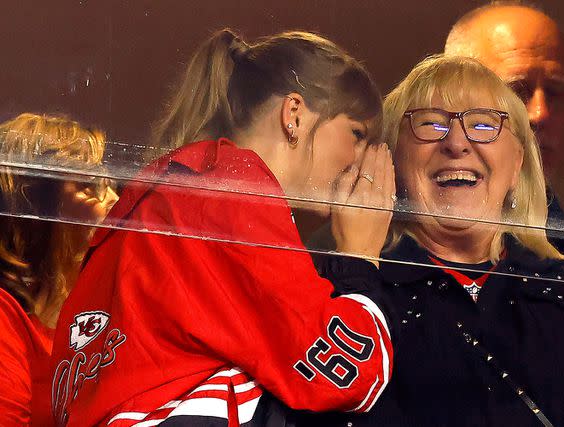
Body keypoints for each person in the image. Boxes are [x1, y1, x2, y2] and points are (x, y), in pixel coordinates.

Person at [50, 29, 396, 426]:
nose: (362, 159)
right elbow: (342, 375)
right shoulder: (235, 187)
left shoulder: (169, 185)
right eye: (358, 134)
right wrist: (361, 257)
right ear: (294, 114)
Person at [299, 56, 564, 427]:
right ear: (391, 162)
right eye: (431, 123)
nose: (457, 143)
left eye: (482, 124)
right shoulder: (335, 291)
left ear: (517, 165)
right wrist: (356, 265)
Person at [444, 2, 564, 286]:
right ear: (447, 100)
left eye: (555, 92)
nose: (539, 113)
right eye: (516, 90)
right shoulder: (384, 241)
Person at [0, 113, 118, 425]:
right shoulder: (6, 318)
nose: (116, 202)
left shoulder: (94, 311)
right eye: (89, 186)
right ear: (37, 208)